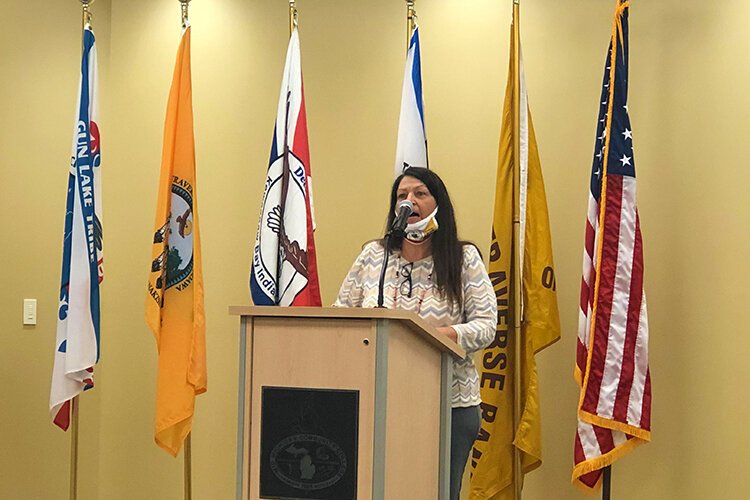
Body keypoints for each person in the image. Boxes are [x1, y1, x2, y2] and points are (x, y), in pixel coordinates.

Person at [334, 167, 497, 500]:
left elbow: (486, 325)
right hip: (378, 401)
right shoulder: (373, 256)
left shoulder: (463, 258)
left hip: (448, 405)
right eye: (401, 196)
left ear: (439, 204)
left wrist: (442, 335)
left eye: (420, 193)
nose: (409, 201)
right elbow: (341, 315)